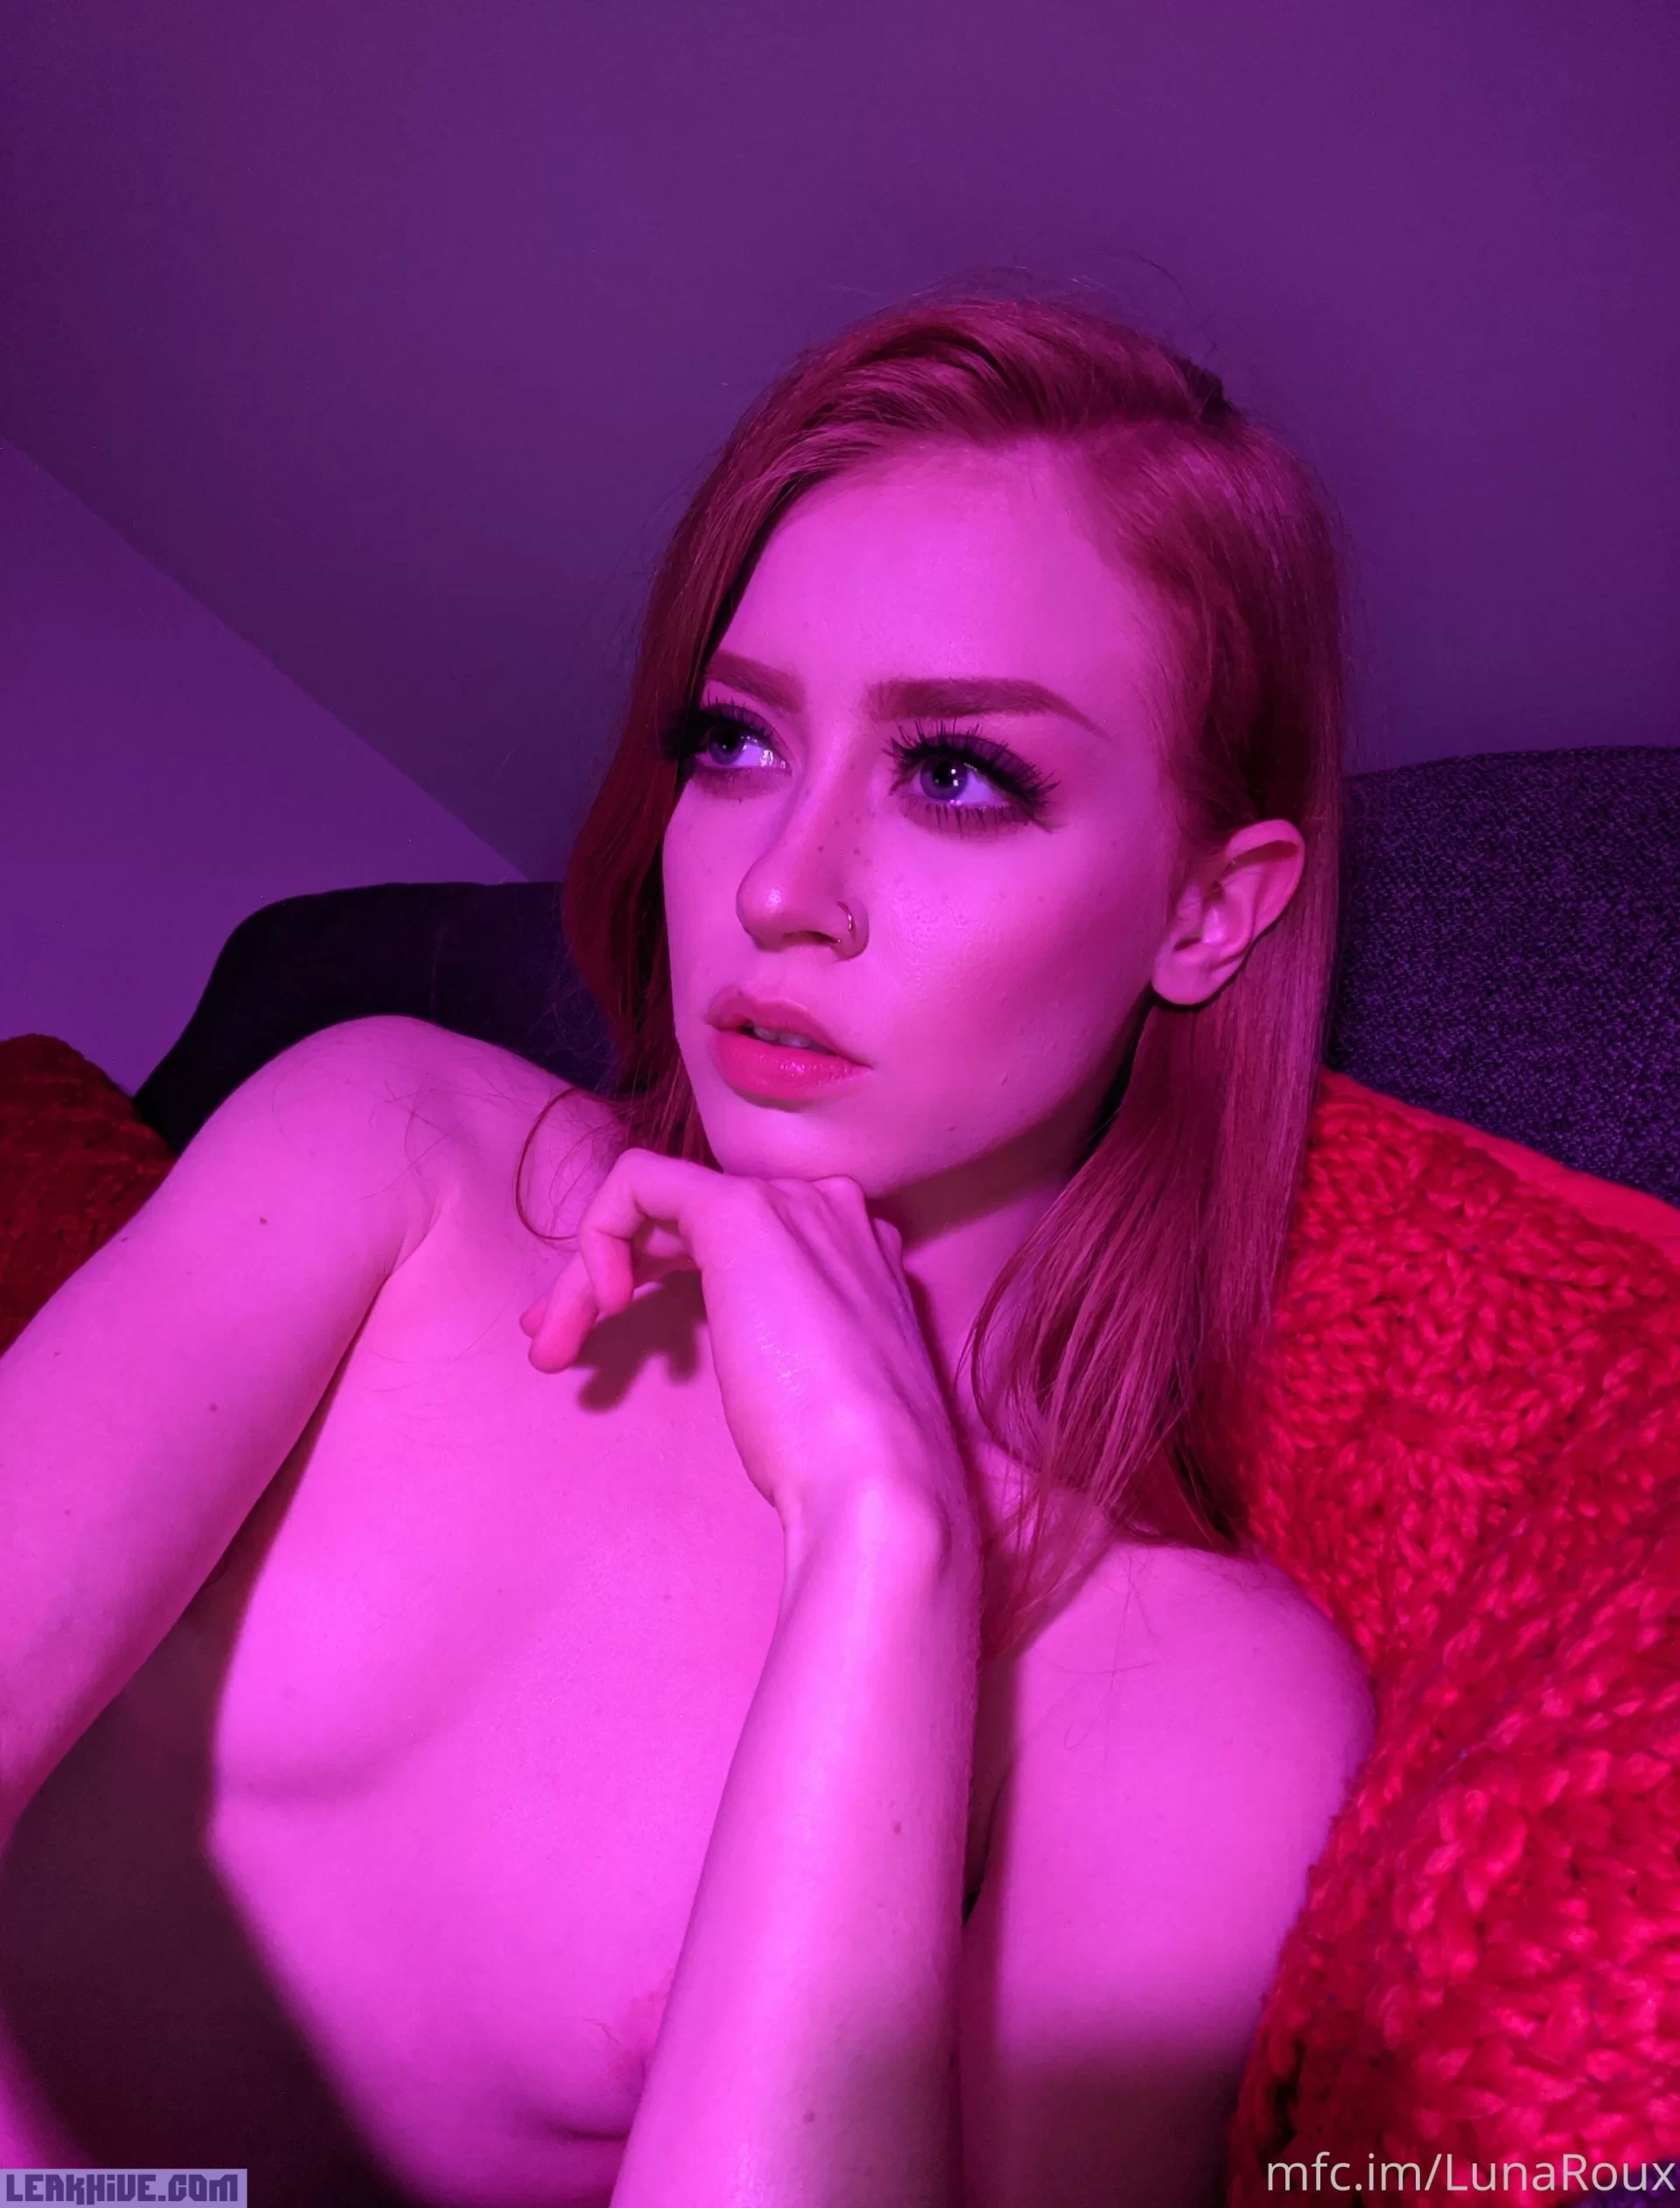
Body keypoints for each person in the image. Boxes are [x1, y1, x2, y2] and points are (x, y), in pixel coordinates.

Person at [0, 294, 1375, 2206]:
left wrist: (883, 1530)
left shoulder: (1187, 1692)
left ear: (1208, 914)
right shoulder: (404, 1145)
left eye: (957, 774)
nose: (779, 887)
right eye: (735, 741)